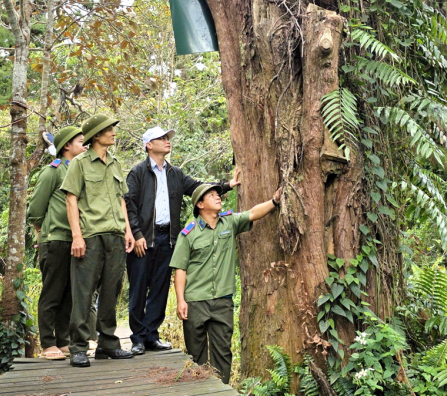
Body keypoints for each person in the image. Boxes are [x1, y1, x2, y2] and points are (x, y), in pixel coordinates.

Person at [124, 126, 241, 354]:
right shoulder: (137, 172)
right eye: (161, 138)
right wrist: (136, 235)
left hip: (168, 238)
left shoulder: (175, 173)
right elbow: (128, 205)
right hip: (143, 238)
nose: (167, 141)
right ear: (149, 145)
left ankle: (151, 336)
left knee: (159, 288)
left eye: (168, 138)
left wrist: (227, 186)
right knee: (138, 288)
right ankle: (137, 338)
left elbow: (198, 187)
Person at [171, 183, 282, 383]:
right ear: (200, 205)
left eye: (217, 194)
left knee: (222, 353)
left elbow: (252, 213)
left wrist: (274, 201)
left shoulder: (229, 222)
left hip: (222, 301)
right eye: (211, 195)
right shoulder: (188, 233)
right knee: (196, 355)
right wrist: (181, 300)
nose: (217, 197)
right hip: (195, 301)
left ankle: (221, 389)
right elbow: (180, 269)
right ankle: (200, 391)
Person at [60, 114, 137, 367]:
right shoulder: (79, 163)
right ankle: (79, 347)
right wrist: (77, 236)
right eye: (109, 130)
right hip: (90, 236)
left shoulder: (115, 162)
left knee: (110, 292)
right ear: (96, 135)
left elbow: (121, 200)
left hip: (115, 236)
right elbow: (71, 200)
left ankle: (107, 344)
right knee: (83, 292)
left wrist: (128, 231)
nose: (114, 132)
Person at [27, 126, 85, 360]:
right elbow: (35, 208)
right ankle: (47, 343)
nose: (85, 145)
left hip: (76, 240)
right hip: (56, 239)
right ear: (67, 146)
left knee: (69, 294)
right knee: (52, 292)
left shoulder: (81, 170)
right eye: (81, 142)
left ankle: (64, 341)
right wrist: (41, 231)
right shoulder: (53, 171)